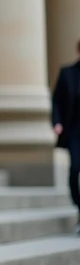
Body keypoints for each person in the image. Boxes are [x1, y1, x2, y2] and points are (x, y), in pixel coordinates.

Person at [51, 42, 80, 232]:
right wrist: (57, 123)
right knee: (74, 170)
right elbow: (56, 101)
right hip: (74, 131)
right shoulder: (67, 73)